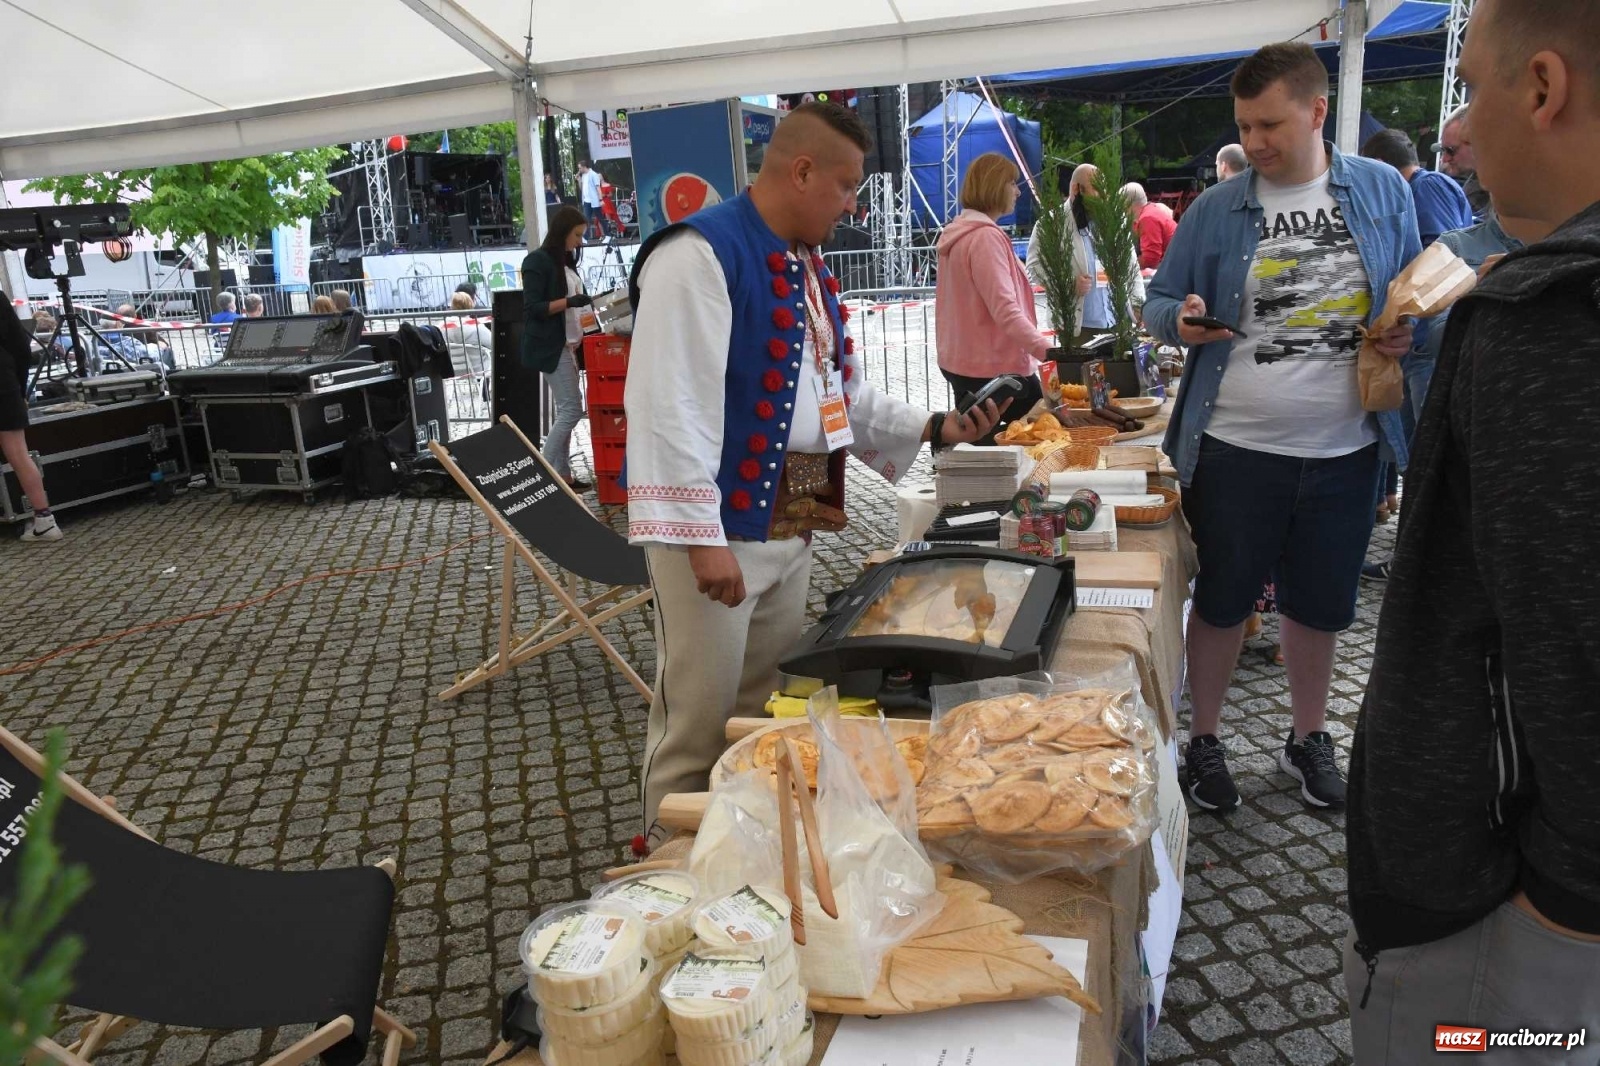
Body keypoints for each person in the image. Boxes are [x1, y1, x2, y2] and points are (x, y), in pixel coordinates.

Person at [623, 102, 1007, 848]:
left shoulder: (803, 264)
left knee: (761, 712)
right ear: (800, 172)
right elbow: (668, 404)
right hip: (721, 533)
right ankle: (663, 869)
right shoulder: (697, 255)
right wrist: (701, 539)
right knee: (695, 724)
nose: (853, 204)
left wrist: (936, 426)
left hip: (791, 524)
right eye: (846, 185)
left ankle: (744, 853)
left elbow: (837, 398)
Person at [1345, 0, 1600, 1051]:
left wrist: (1564, 896)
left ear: (1540, 89)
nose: (1460, 122)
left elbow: (1568, 640)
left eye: (1469, 87)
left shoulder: (1552, 318)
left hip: (1502, 915)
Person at [1143, 41, 1418, 813]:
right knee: (1223, 601)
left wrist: (1409, 329)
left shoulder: (1380, 192)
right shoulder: (1216, 208)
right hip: (1235, 450)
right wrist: (1179, 320)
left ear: (1317, 110)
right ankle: (1202, 741)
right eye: (1245, 126)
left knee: (1321, 606)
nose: (1255, 141)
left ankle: (1308, 737)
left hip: (1348, 450)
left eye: (1269, 124)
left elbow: (1414, 292)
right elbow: (1157, 301)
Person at [936, 152, 1051, 442]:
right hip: (997, 369)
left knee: (984, 448)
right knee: (1038, 437)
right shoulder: (985, 237)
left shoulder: (958, 234)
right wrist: (1048, 352)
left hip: (966, 364)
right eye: (1012, 183)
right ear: (995, 185)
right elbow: (1006, 309)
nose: (1017, 191)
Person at [520, 204, 592, 490]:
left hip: (567, 345)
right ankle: (548, 471)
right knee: (572, 409)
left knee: (568, 408)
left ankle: (563, 475)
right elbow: (533, 308)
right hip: (553, 346)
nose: (580, 241)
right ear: (563, 232)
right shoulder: (538, 261)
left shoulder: (564, 263)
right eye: (577, 235)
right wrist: (569, 302)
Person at [1, 292, 60, 541]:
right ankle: (45, 521)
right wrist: (21, 388)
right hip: (4, 382)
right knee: (19, 454)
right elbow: (21, 348)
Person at [1360, 128, 1474, 248]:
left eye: (1366, 172)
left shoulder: (1427, 186)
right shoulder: (1419, 188)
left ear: (1380, 166)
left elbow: (1442, 251)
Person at [1434, 103, 1492, 218]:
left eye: (1450, 150)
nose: (1445, 159)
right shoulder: (1475, 183)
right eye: (1443, 150)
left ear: (1477, 142)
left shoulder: (1510, 188)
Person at [1122, 181, 1178, 269]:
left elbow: (1150, 260)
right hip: (1173, 261)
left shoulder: (1147, 218)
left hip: (1174, 265)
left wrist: (1127, 267)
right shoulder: (1150, 209)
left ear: (1128, 204)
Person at [443, 291, 492, 378]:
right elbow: (494, 344)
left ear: (452, 306)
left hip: (454, 372)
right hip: (480, 370)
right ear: (471, 305)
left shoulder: (443, 327)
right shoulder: (478, 328)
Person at [578, 160, 609, 239]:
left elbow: (598, 188)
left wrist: (600, 200)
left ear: (584, 167)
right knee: (586, 220)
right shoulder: (583, 176)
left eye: (580, 168)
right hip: (586, 201)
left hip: (594, 201)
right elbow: (582, 189)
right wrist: (579, 180)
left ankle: (608, 235)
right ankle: (585, 238)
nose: (579, 170)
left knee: (600, 219)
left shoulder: (593, 174)